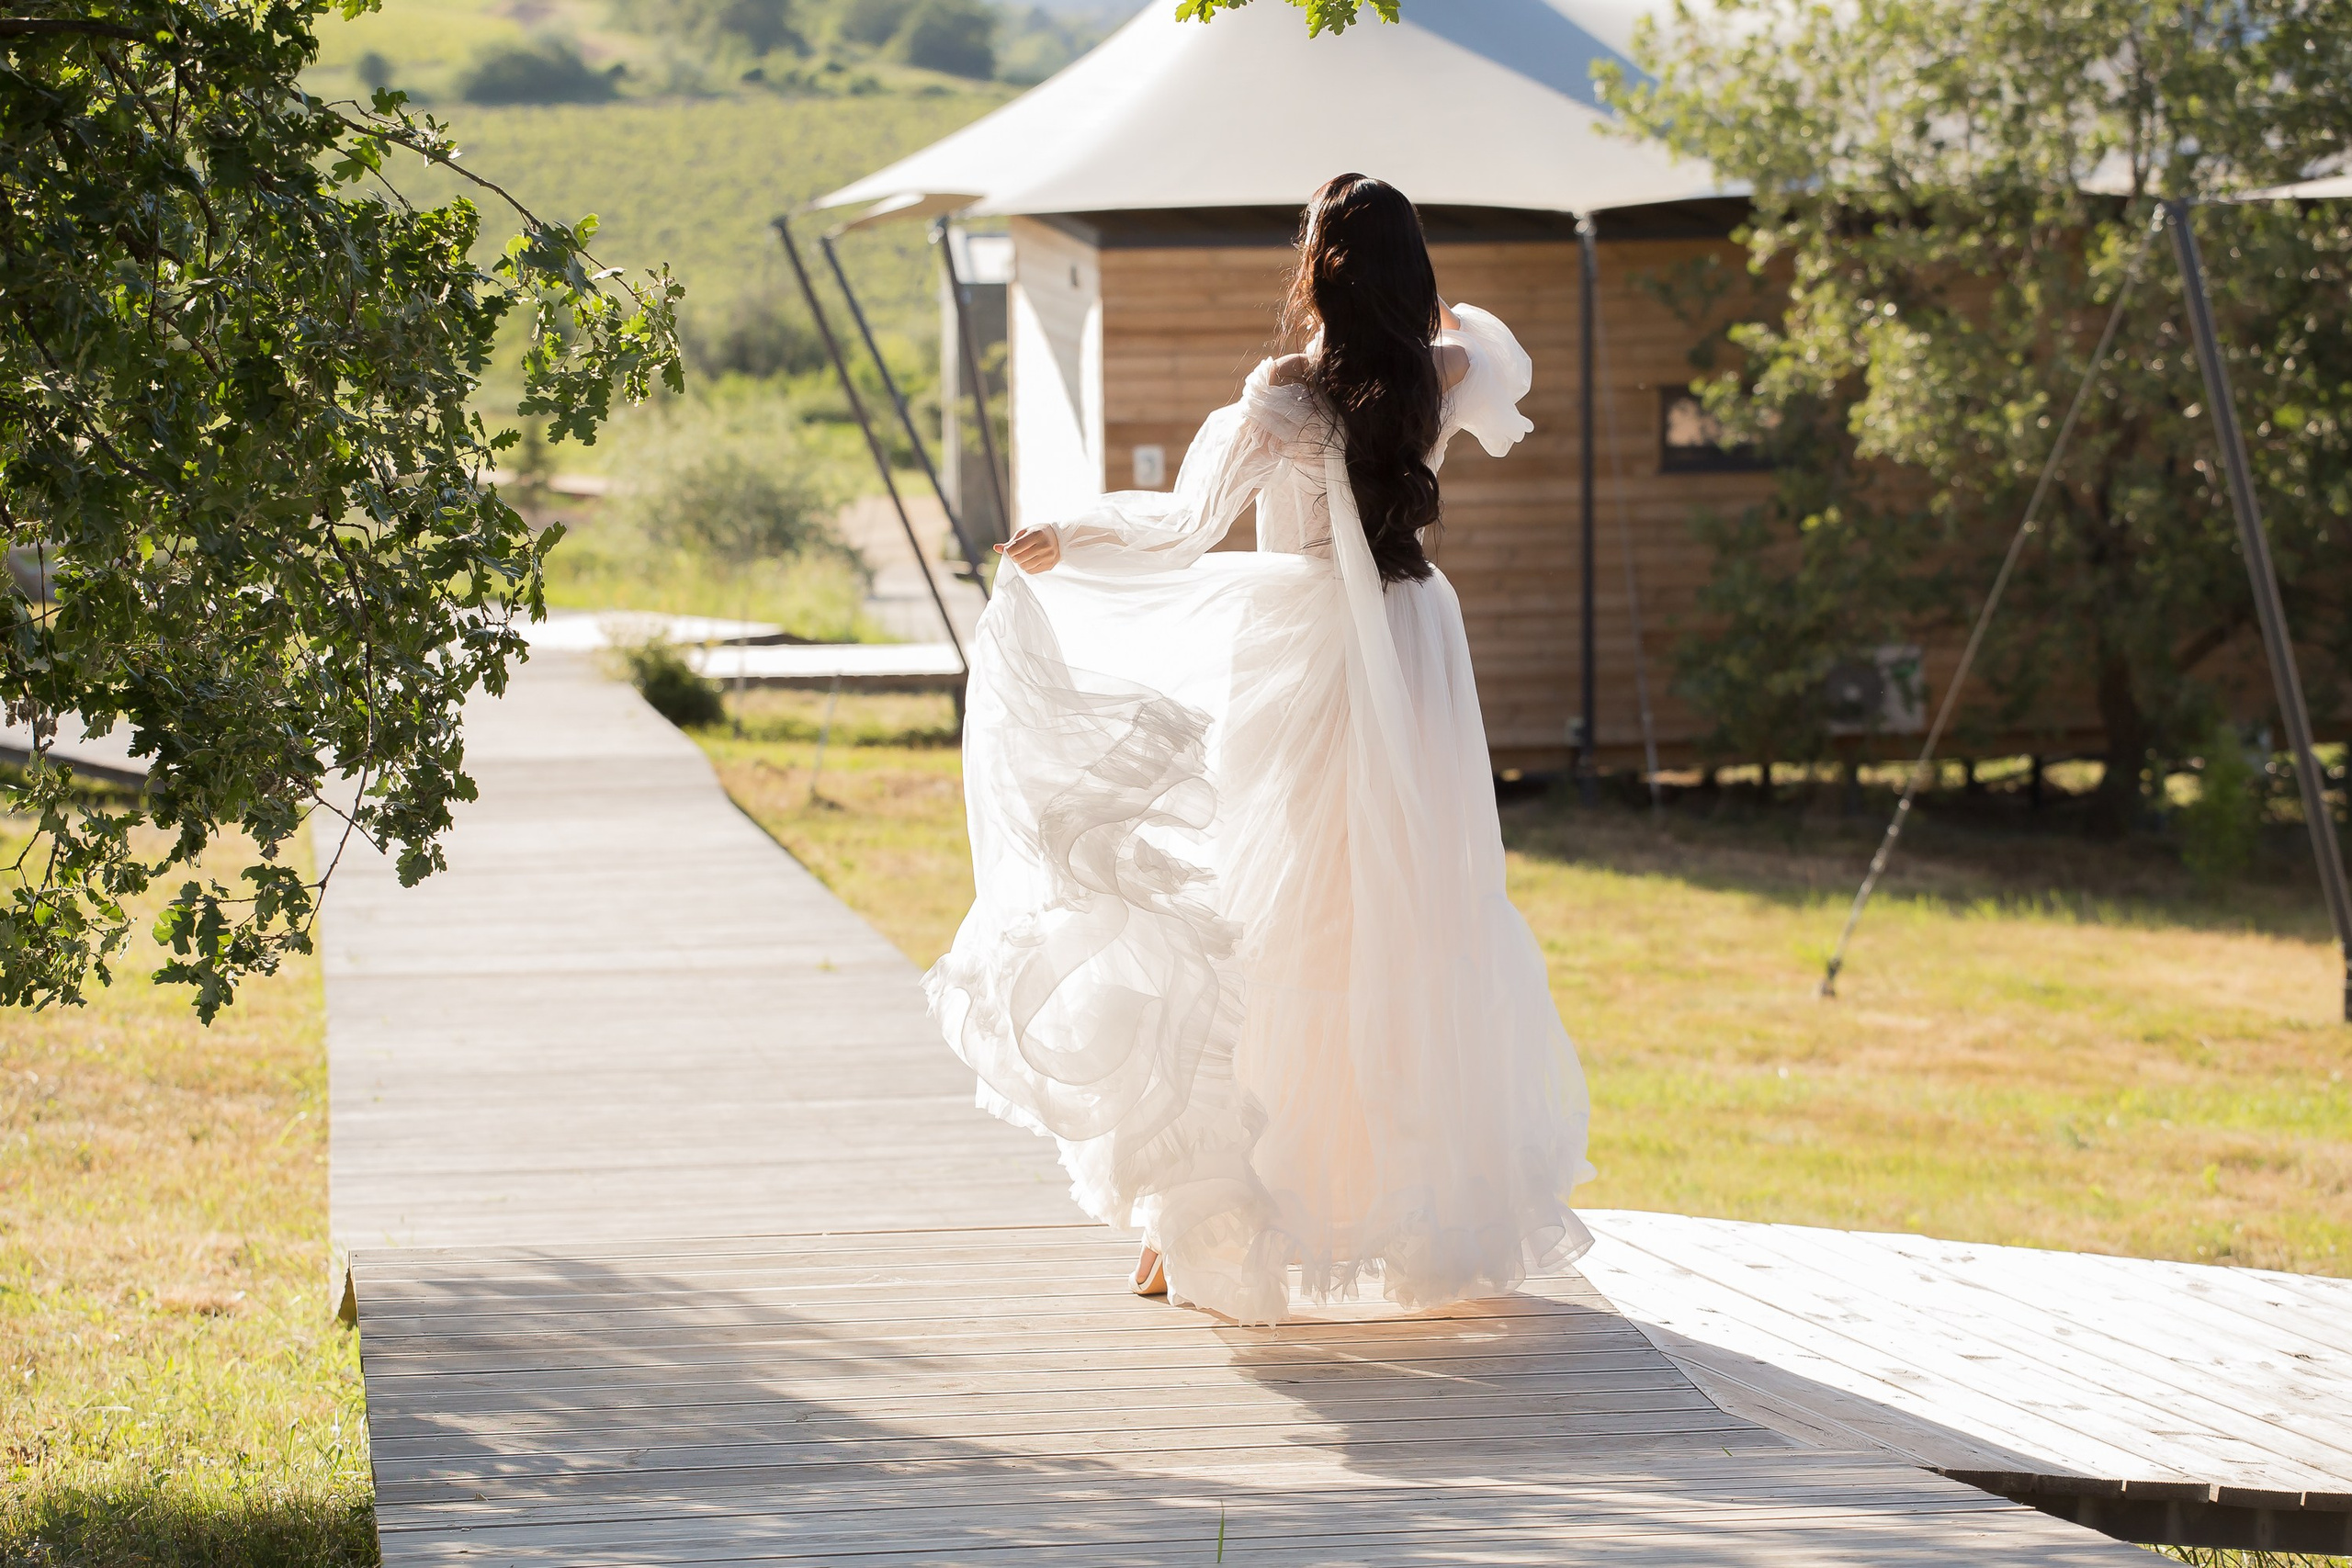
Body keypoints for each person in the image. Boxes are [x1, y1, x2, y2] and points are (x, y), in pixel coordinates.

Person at [924, 173, 1594, 1326]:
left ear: (1319, 265)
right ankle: (1387, 1204)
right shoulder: (1448, 370)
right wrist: (1408, 303)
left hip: (1311, 652)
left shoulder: (1286, 394)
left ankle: (1203, 1217)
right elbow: (1484, 350)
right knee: (1404, 911)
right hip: (1416, 639)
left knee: (1266, 910)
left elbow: (1187, 526)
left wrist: (1070, 536)